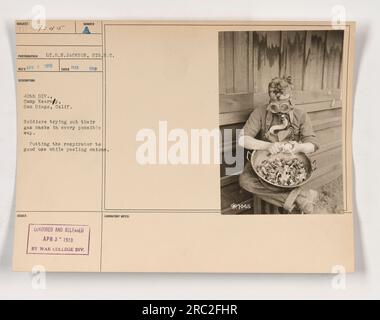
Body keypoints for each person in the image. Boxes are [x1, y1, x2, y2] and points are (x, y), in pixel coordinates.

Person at [238, 76, 319, 213]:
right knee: (245, 181)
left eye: (284, 103)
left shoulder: (301, 114)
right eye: (274, 103)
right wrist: (267, 146)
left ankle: (291, 200)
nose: (280, 109)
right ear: (269, 98)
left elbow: (312, 144)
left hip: (292, 161)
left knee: (295, 180)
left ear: (291, 98)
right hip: (266, 160)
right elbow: (242, 139)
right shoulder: (260, 112)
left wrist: (299, 147)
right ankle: (301, 199)